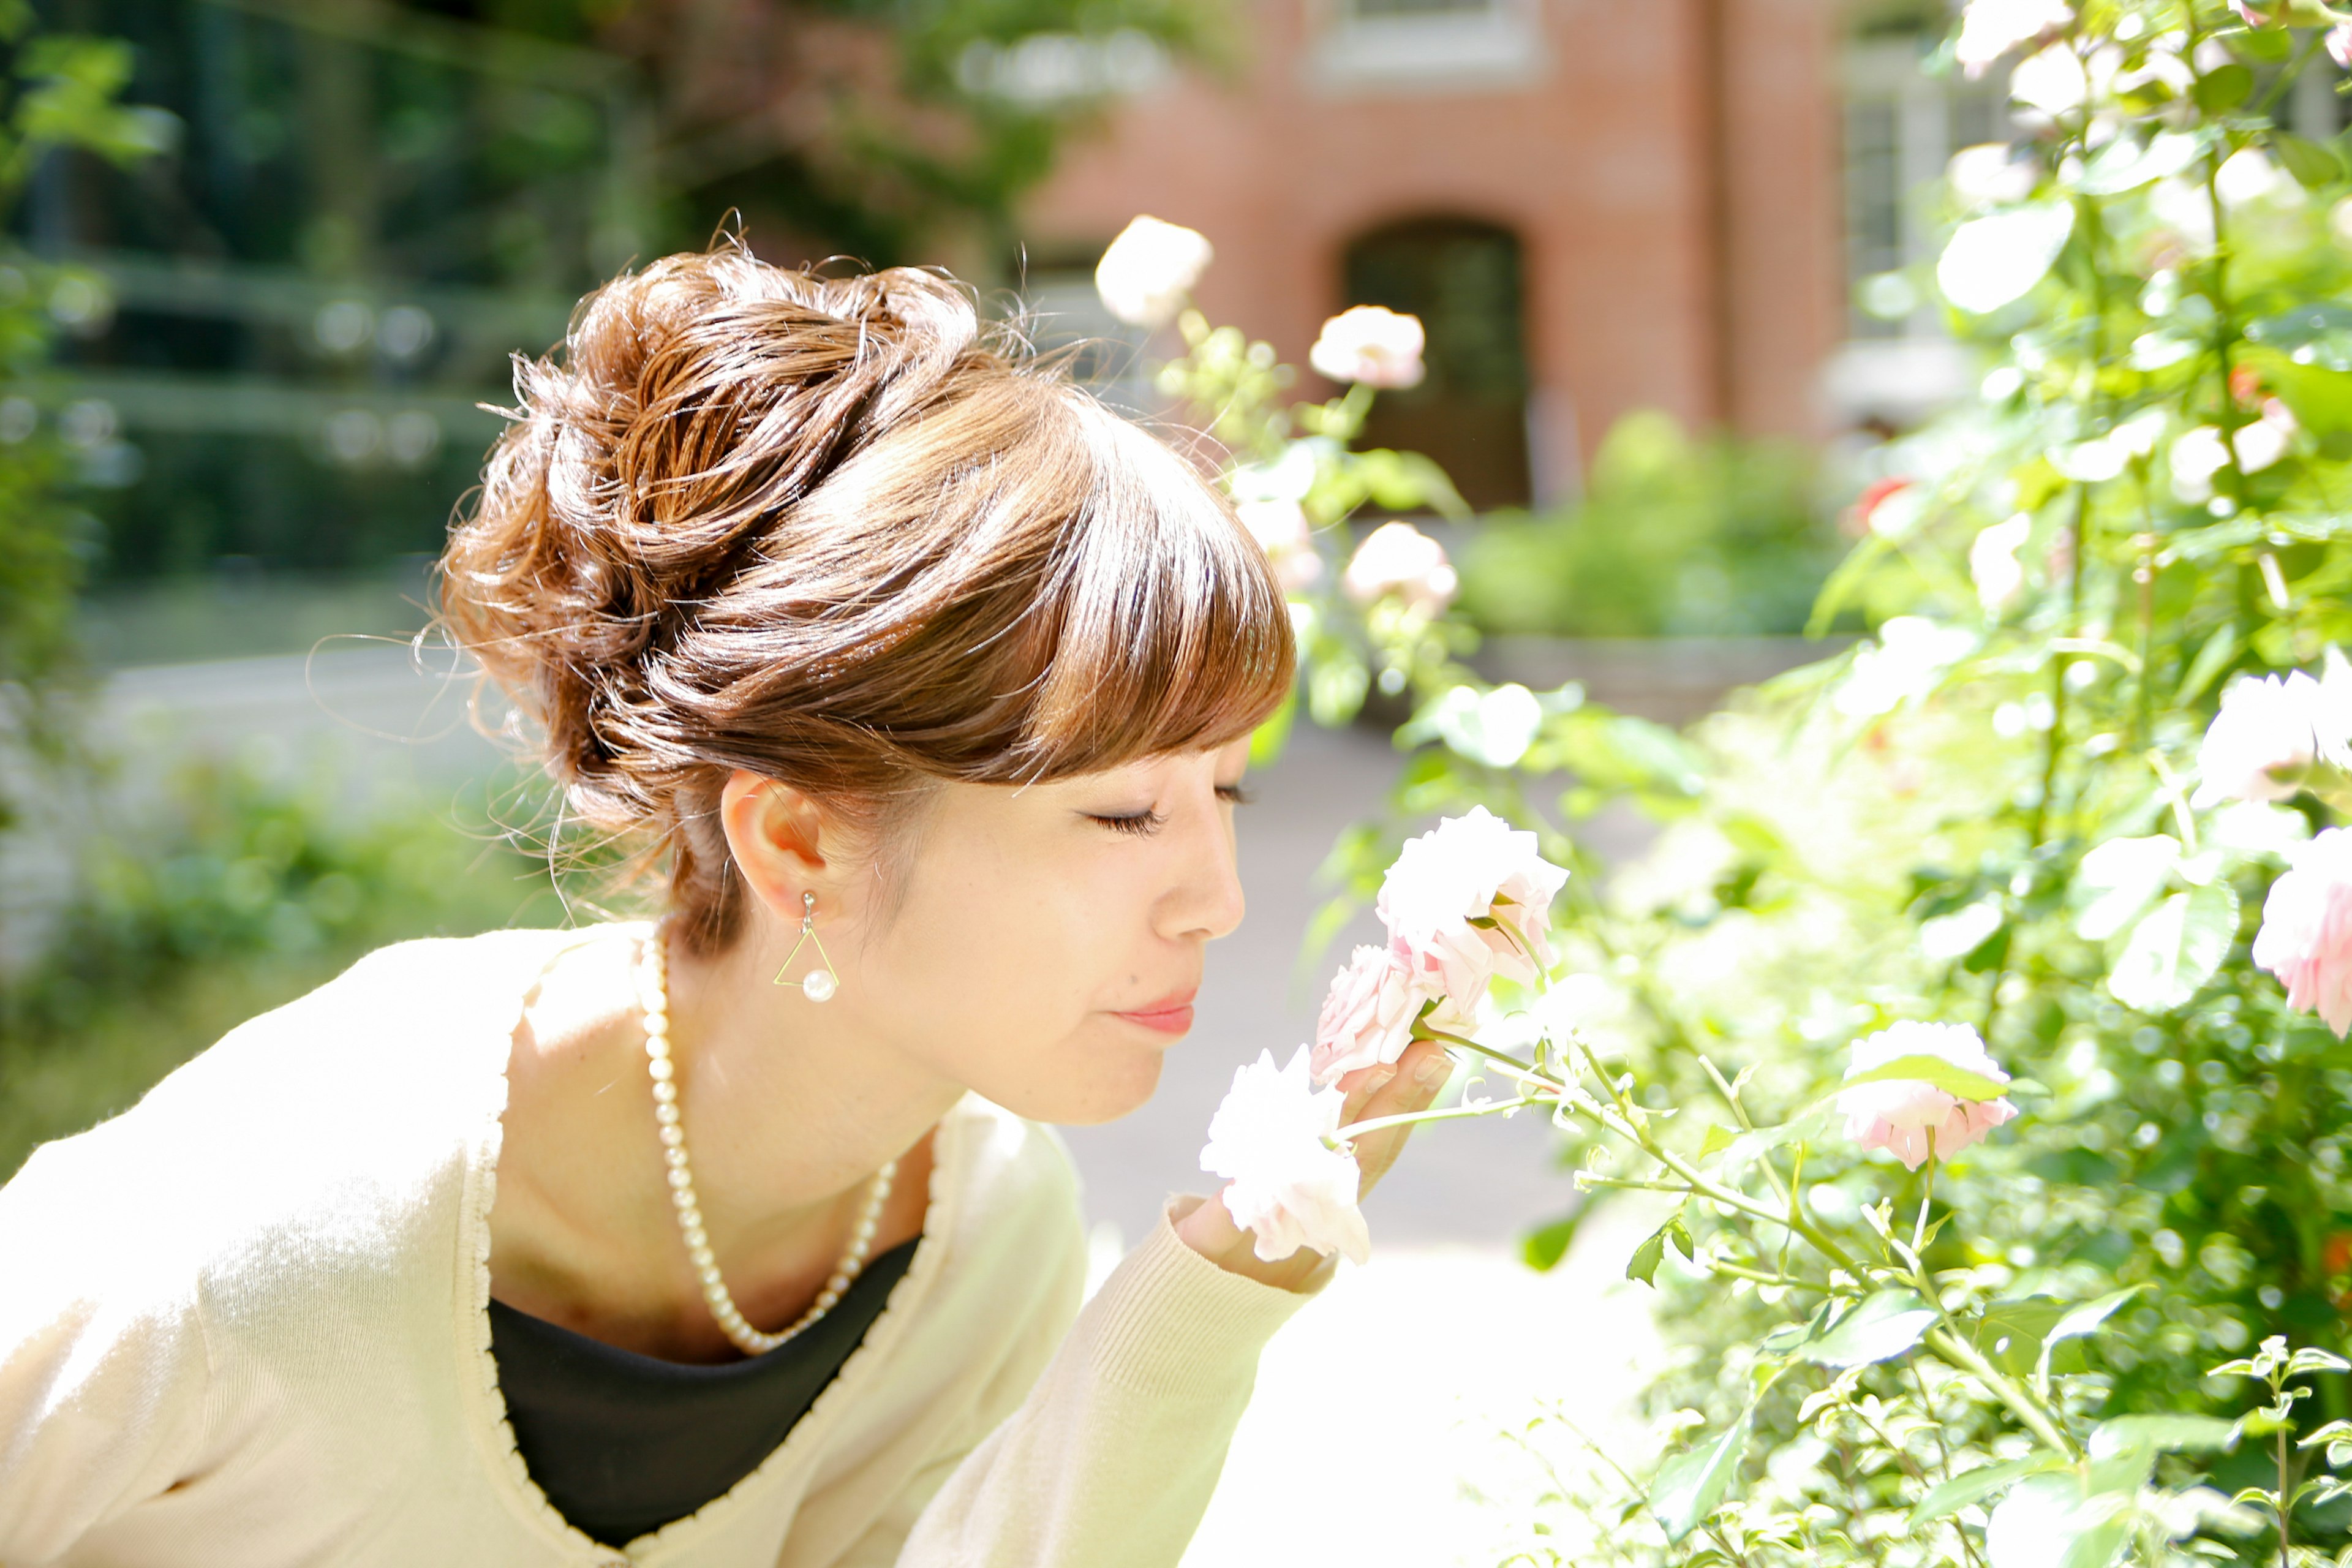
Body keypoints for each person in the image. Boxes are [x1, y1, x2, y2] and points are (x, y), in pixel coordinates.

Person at [0, 247, 1452, 1565]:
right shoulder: (276, 1215)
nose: (1219, 899)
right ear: (800, 838)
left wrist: (1218, 1286)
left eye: (1228, 794)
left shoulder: (981, 1230)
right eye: (1124, 810)